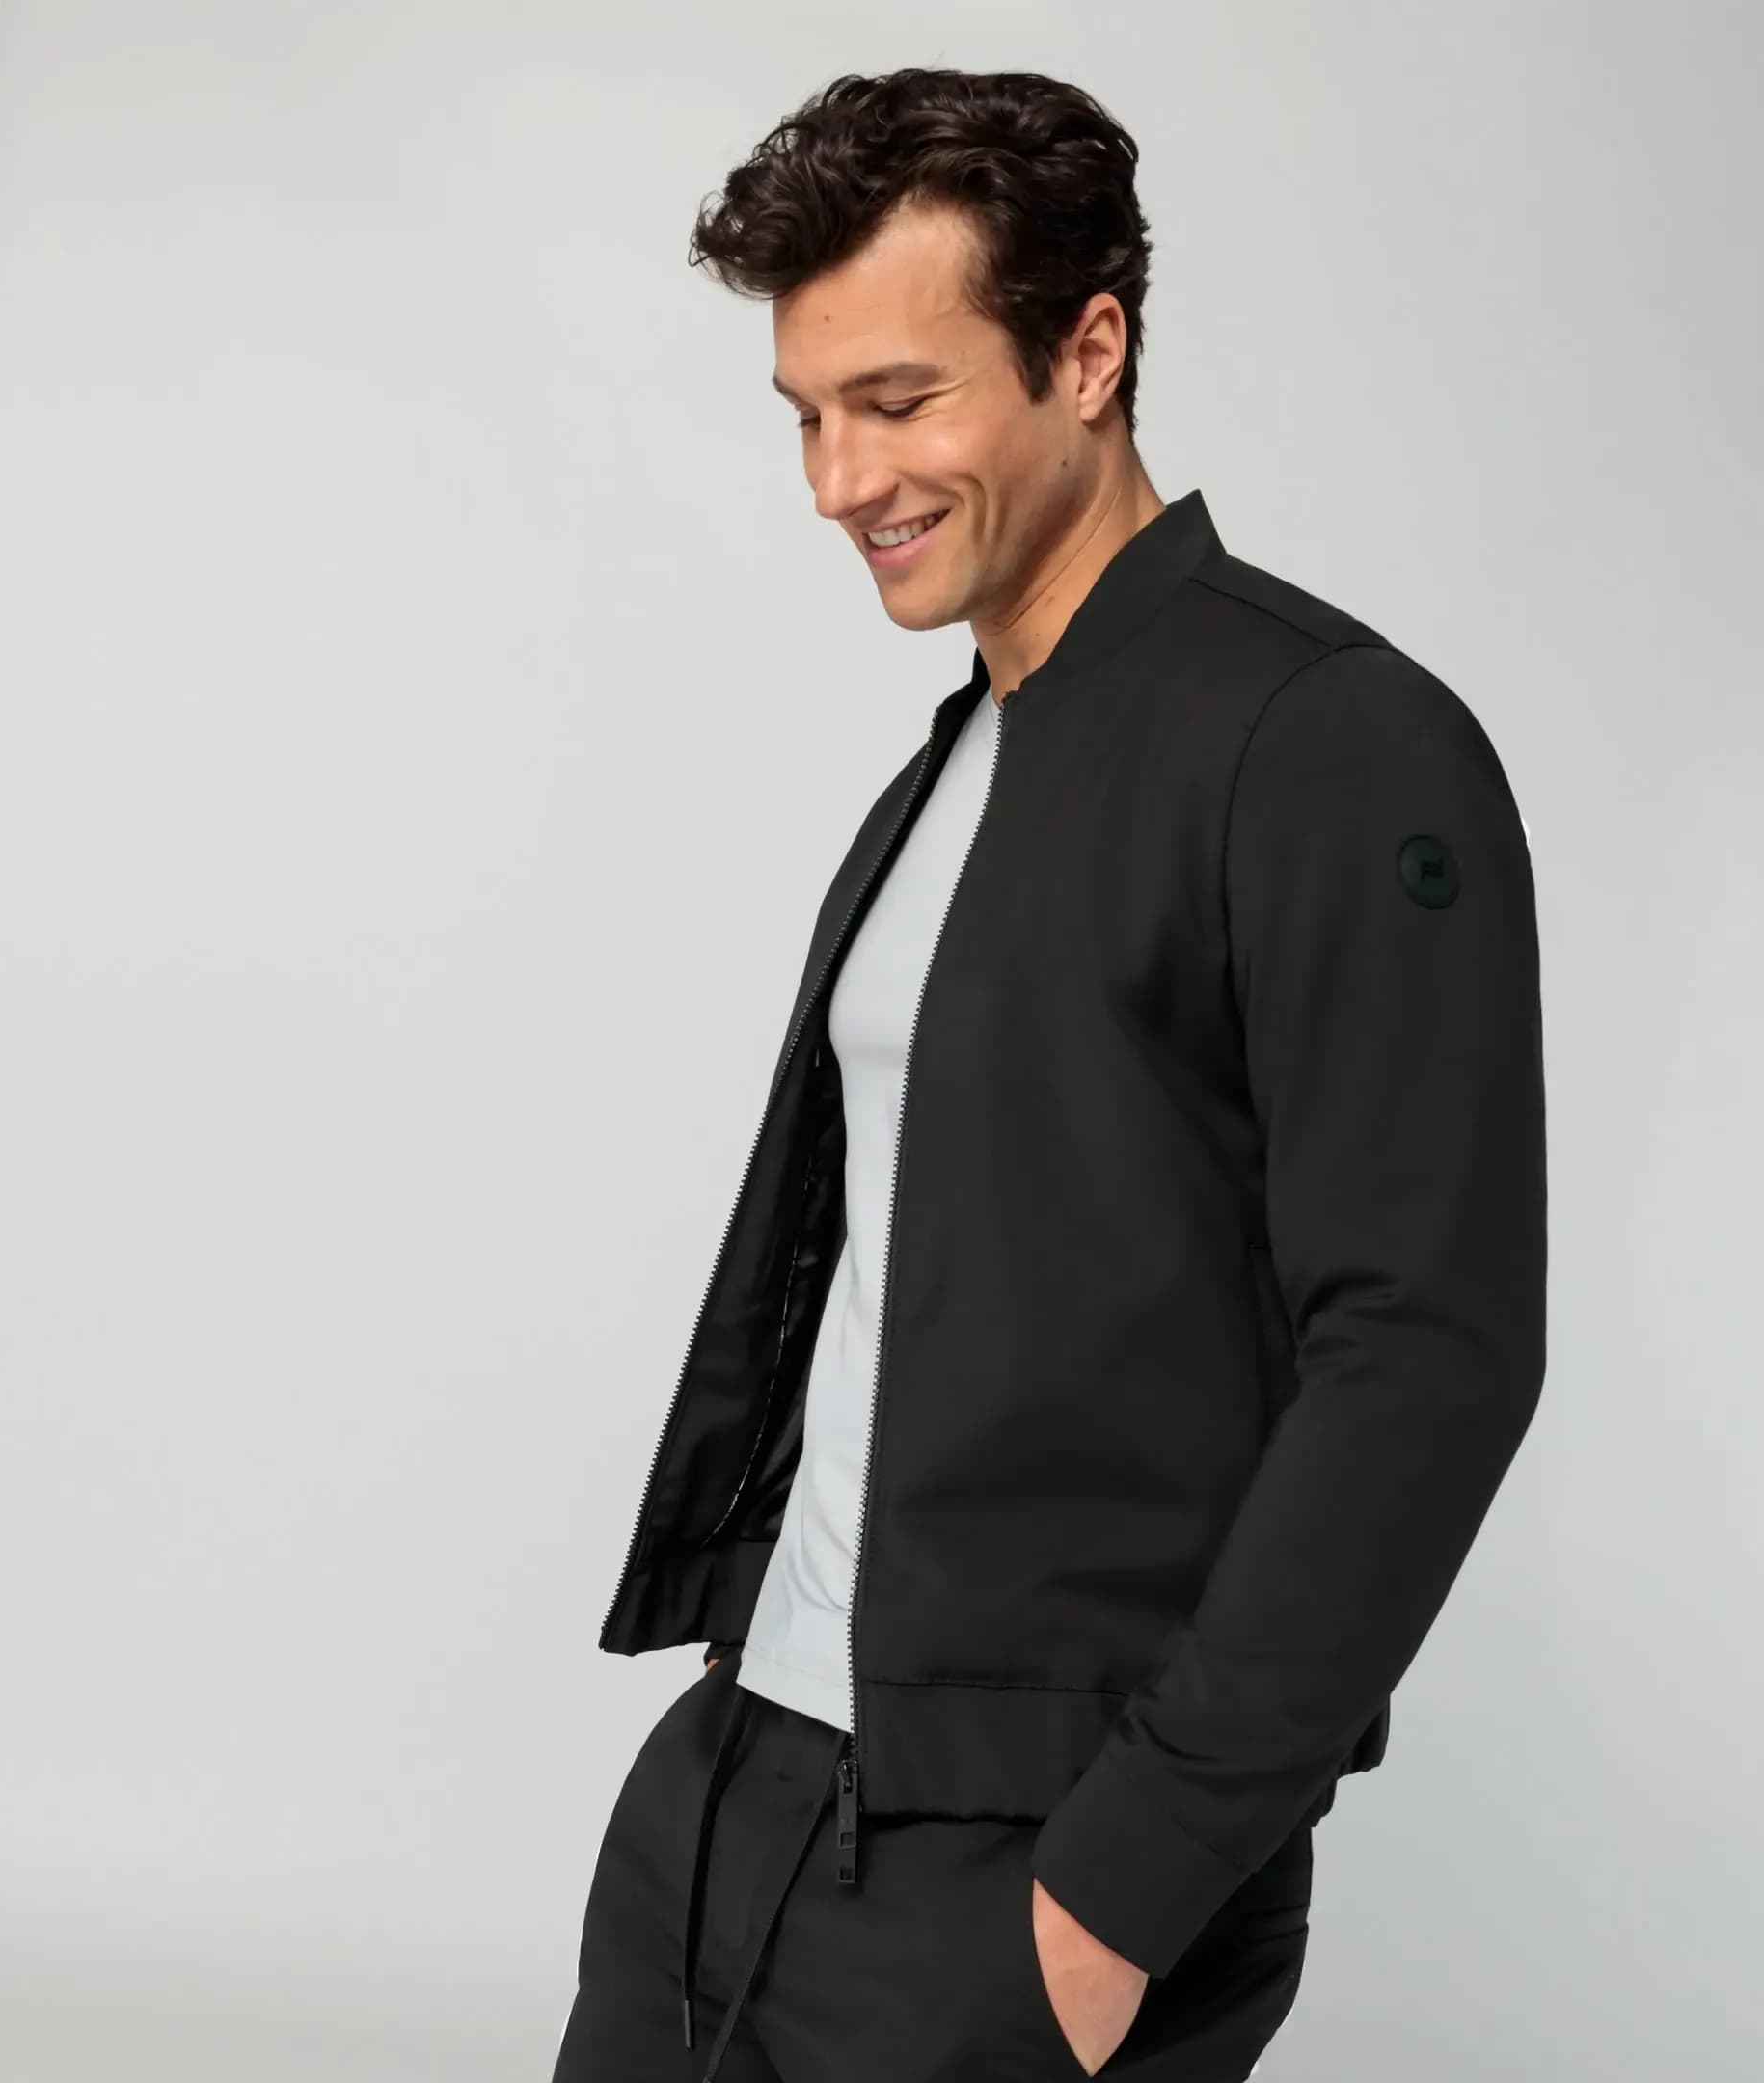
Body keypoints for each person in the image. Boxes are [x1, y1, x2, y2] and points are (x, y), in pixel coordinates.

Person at [549, 64, 1545, 2083]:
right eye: (805, 416)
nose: (838, 481)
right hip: (742, 1790)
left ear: (1088, 354)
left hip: (1022, 1863)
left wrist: (1125, 1885)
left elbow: (1426, 1355)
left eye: (897, 400)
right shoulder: (961, 761)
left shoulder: (1329, 744)